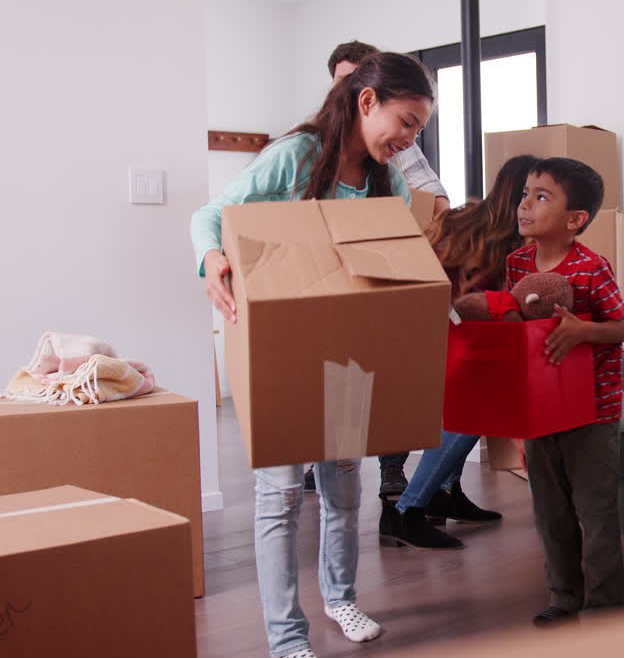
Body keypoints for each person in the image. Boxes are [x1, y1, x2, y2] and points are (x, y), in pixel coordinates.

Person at [190, 52, 434, 658]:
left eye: (419, 131)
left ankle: (340, 596)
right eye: (404, 124)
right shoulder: (295, 156)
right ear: (367, 102)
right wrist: (211, 258)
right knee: (278, 500)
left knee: (344, 489)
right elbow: (211, 215)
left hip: (348, 355)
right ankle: (286, 638)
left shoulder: (388, 181)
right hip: (284, 351)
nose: (408, 141)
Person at [377, 154, 539, 551]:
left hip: (441, 332)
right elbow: (469, 301)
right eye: (534, 195)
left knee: (475, 403)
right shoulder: (495, 238)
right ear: (518, 195)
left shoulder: (474, 221)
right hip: (431, 332)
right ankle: (405, 510)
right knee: (474, 409)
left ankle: (444, 495)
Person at [315, 40, 448, 498]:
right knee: (300, 474)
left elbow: (432, 197)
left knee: (345, 474)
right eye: (342, 83)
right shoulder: (306, 150)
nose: (348, 92)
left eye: (416, 127)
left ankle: (391, 473)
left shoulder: (392, 157)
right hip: (318, 304)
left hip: (366, 302)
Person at [506, 157, 624, 627]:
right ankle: (564, 596)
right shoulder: (516, 263)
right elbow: (516, 333)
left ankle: (604, 609)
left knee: (595, 516)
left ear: (575, 219)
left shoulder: (591, 267)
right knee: (550, 513)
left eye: (541, 197)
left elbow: (623, 326)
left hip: (593, 413)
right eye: (525, 193)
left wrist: (582, 331)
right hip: (541, 410)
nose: (525, 204)